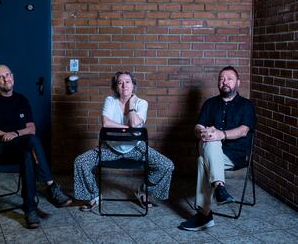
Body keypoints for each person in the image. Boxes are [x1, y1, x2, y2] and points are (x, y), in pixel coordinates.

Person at [0, 64, 72, 229]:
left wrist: (15, 133)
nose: (6, 78)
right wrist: (4, 135)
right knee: (30, 142)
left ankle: (29, 209)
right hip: (0, 148)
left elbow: (32, 128)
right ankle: (51, 186)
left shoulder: (22, 100)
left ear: (13, 76)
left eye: (8, 74)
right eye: (2, 77)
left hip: (20, 145)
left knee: (28, 152)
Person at [74, 71, 174, 210]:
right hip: (110, 149)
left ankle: (143, 192)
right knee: (81, 162)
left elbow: (134, 124)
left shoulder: (142, 103)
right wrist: (127, 128)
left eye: (127, 82)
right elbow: (106, 123)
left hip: (136, 148)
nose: (124, 85)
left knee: (167, 165)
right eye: (120, 82)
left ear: (133, 85)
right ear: (115, 87)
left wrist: (132, 105)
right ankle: (94, 195)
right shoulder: (110, 100)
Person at [179, 66, 256, 231]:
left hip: (235, 155)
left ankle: (204, 215)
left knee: (202, 160)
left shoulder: (246, 105)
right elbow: (197, 127)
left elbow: (244, 130)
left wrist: (221, 134)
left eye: (229, 78)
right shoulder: (210, 103)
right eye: (221, 78)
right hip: (209, 146)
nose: (225, 82)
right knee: (210, 138)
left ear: (238, 82)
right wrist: (204, 132)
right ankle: (220, 187)